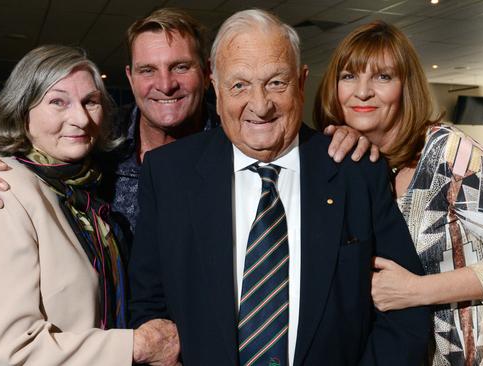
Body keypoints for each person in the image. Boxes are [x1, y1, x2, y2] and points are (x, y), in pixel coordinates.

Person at [129, 9, 431, 366]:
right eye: (239, 85)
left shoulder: (356, 171)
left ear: (302, 82)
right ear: (216, 86)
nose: (260, 105)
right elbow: (148, 305)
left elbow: (404, 315)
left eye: (276, 83)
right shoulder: (168, 175)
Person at [0, 8, 374, 235]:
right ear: (130, 78)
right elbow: (27, 156)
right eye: (148, 70)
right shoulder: (100, 138)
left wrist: (347, 134)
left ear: (207, 75)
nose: (164, 85)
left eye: (179, 67)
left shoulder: (240, 139)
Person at [314, 20, 483, 366]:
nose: (362, 91)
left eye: (382, 77)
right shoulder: (356, 165)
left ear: (405, 87)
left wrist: (415, 291)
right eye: (349, 76)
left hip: (478, 352)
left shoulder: (449, 152)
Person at [0, 45, 179, 365]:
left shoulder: (79, 187)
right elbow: (6, 352)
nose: (81, 118)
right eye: (58, 101)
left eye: (90, 102)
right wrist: (136, 345)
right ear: (21, 109)